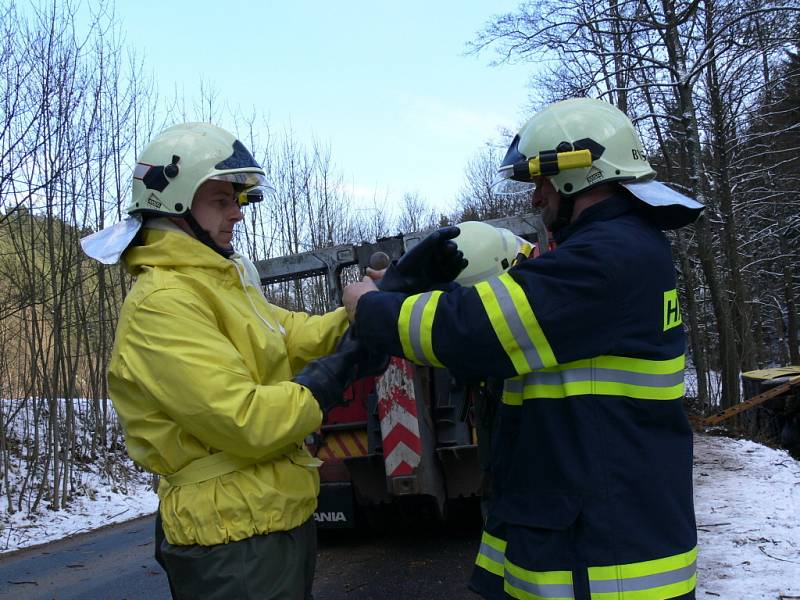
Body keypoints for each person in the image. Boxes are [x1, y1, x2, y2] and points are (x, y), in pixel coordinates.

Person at [343, 97, 704, 600]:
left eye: (542, 181)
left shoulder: (605, 259)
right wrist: (414, 288)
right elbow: (514, 317)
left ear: (578, 172)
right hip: (598, 536)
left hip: (605, 564)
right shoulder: (621, 249)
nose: (537, 198)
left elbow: (474, 330)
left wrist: (370, 307)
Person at [81, 122, 383, 600]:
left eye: (238, 202)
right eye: (222, 201)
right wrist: (334, 374)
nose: (237, 215)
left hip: (265, 516)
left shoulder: (219, 280)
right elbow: (245, 420)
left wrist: (369, 309)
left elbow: (287, 336)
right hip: (230, 539)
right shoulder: (164, 302)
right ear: (176, 204)